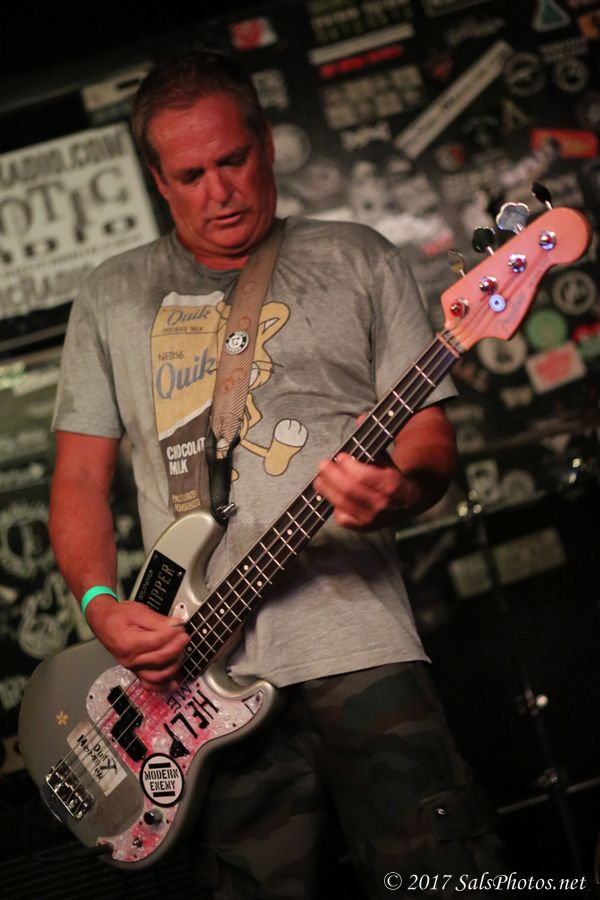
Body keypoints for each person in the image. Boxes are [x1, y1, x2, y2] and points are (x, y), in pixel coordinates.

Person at [49, 50, 506, 899]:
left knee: (449, 879)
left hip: (357, 643)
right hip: (185, 690)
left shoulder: (359, 257)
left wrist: (400, 491)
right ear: (158, 180)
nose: (220, 191)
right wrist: (100, 605)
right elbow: (78, 481)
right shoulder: (111, 296)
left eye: (234, 160)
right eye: (192, 175)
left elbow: (427, 439)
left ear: (264, 142)